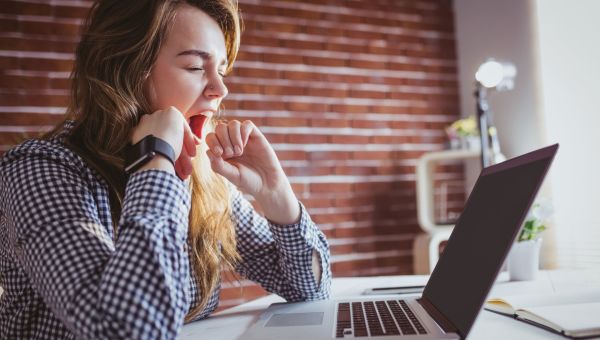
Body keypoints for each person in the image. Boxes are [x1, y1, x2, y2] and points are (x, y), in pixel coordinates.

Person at [0, 0, 331, 338]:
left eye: (222, 70)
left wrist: (275, 193)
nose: (220, 89)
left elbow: (309, 287)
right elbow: (125, 331)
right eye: (194, 67)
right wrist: (153, 159)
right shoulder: (39, 170)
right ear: (127, 69)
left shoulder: (203, 177)